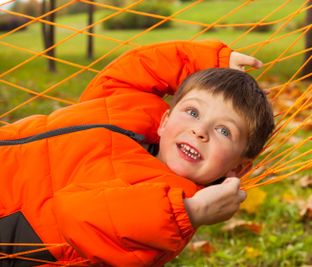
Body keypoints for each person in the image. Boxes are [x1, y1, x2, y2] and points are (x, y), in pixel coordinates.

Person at [0, 40, 274, 266]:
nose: (200, 130)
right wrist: (210, 62)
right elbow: (139, 66)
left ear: (236, 169)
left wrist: (190, 212)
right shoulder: (134, 107)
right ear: (166, 120)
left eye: (224, 131)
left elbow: (76, 214)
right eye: (192, 112)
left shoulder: (168, 211)